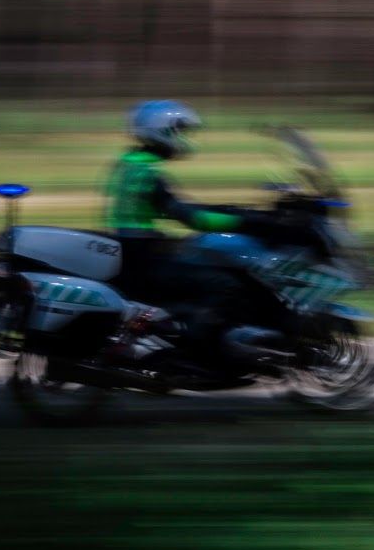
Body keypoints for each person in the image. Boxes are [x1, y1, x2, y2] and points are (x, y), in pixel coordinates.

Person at [102, 100, 293, 365]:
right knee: (226, 285)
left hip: (136, 250)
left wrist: (232, 210)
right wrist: (247, 221)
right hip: (144, 257)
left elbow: (175, 207)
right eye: (178, 131)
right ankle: (200, 353)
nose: (182, 138)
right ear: (161, 131)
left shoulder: (131, 164)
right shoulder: (146, 173)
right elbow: (192, 217)